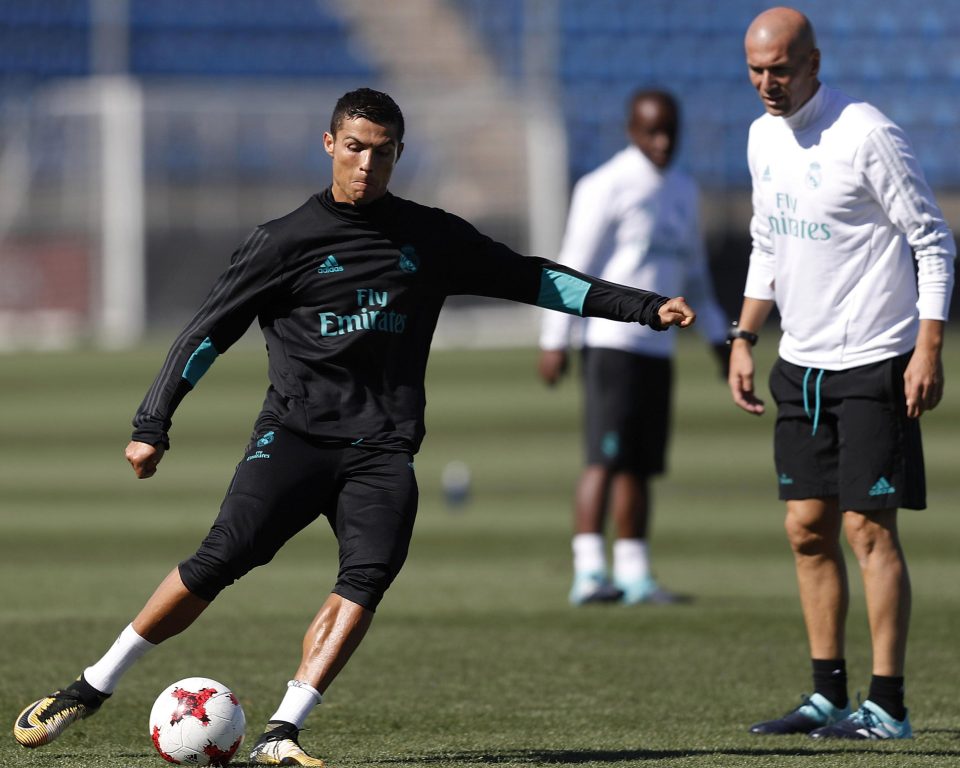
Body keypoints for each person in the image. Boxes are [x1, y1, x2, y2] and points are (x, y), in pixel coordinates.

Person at [12, 88, 697, 765]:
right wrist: (151, 423)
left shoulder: (430, 237)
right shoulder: (283, 242)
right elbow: (205, 333)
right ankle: (90, 687)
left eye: (383, 151)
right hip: (296, 437)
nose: (367, 163)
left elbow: (535, 279)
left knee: (366, 576)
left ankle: (282, 731)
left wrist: (641, 307)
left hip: (383, 448)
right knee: (220, 558)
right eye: (355, 147)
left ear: (399, 154)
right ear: (329, 145)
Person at [730, 8, 955, 740]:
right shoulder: (763, 137)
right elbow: (768, 241)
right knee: (805, 529)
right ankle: (828, 695)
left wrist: (928, 347)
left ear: (814, 63)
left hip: (874, 361)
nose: (768, 84)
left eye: (781, 70)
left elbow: (931, 239)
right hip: (801, 365)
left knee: (868, 531)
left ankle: (887, 705)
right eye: (757, 70)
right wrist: (745, 335)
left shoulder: (864, 133)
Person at [538, 90, 728, 606]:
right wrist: (556, 340)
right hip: (612, 342)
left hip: (658, 349)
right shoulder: (605, 185)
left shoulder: (685, 192)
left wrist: (720, 342)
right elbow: (572, 265)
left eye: (670, 130)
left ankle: (636, 574)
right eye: (651, 131)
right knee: (603, 458)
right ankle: (589, 571)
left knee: (641, 466)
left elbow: (698, 280)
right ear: (631, 130)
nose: (662, 141)